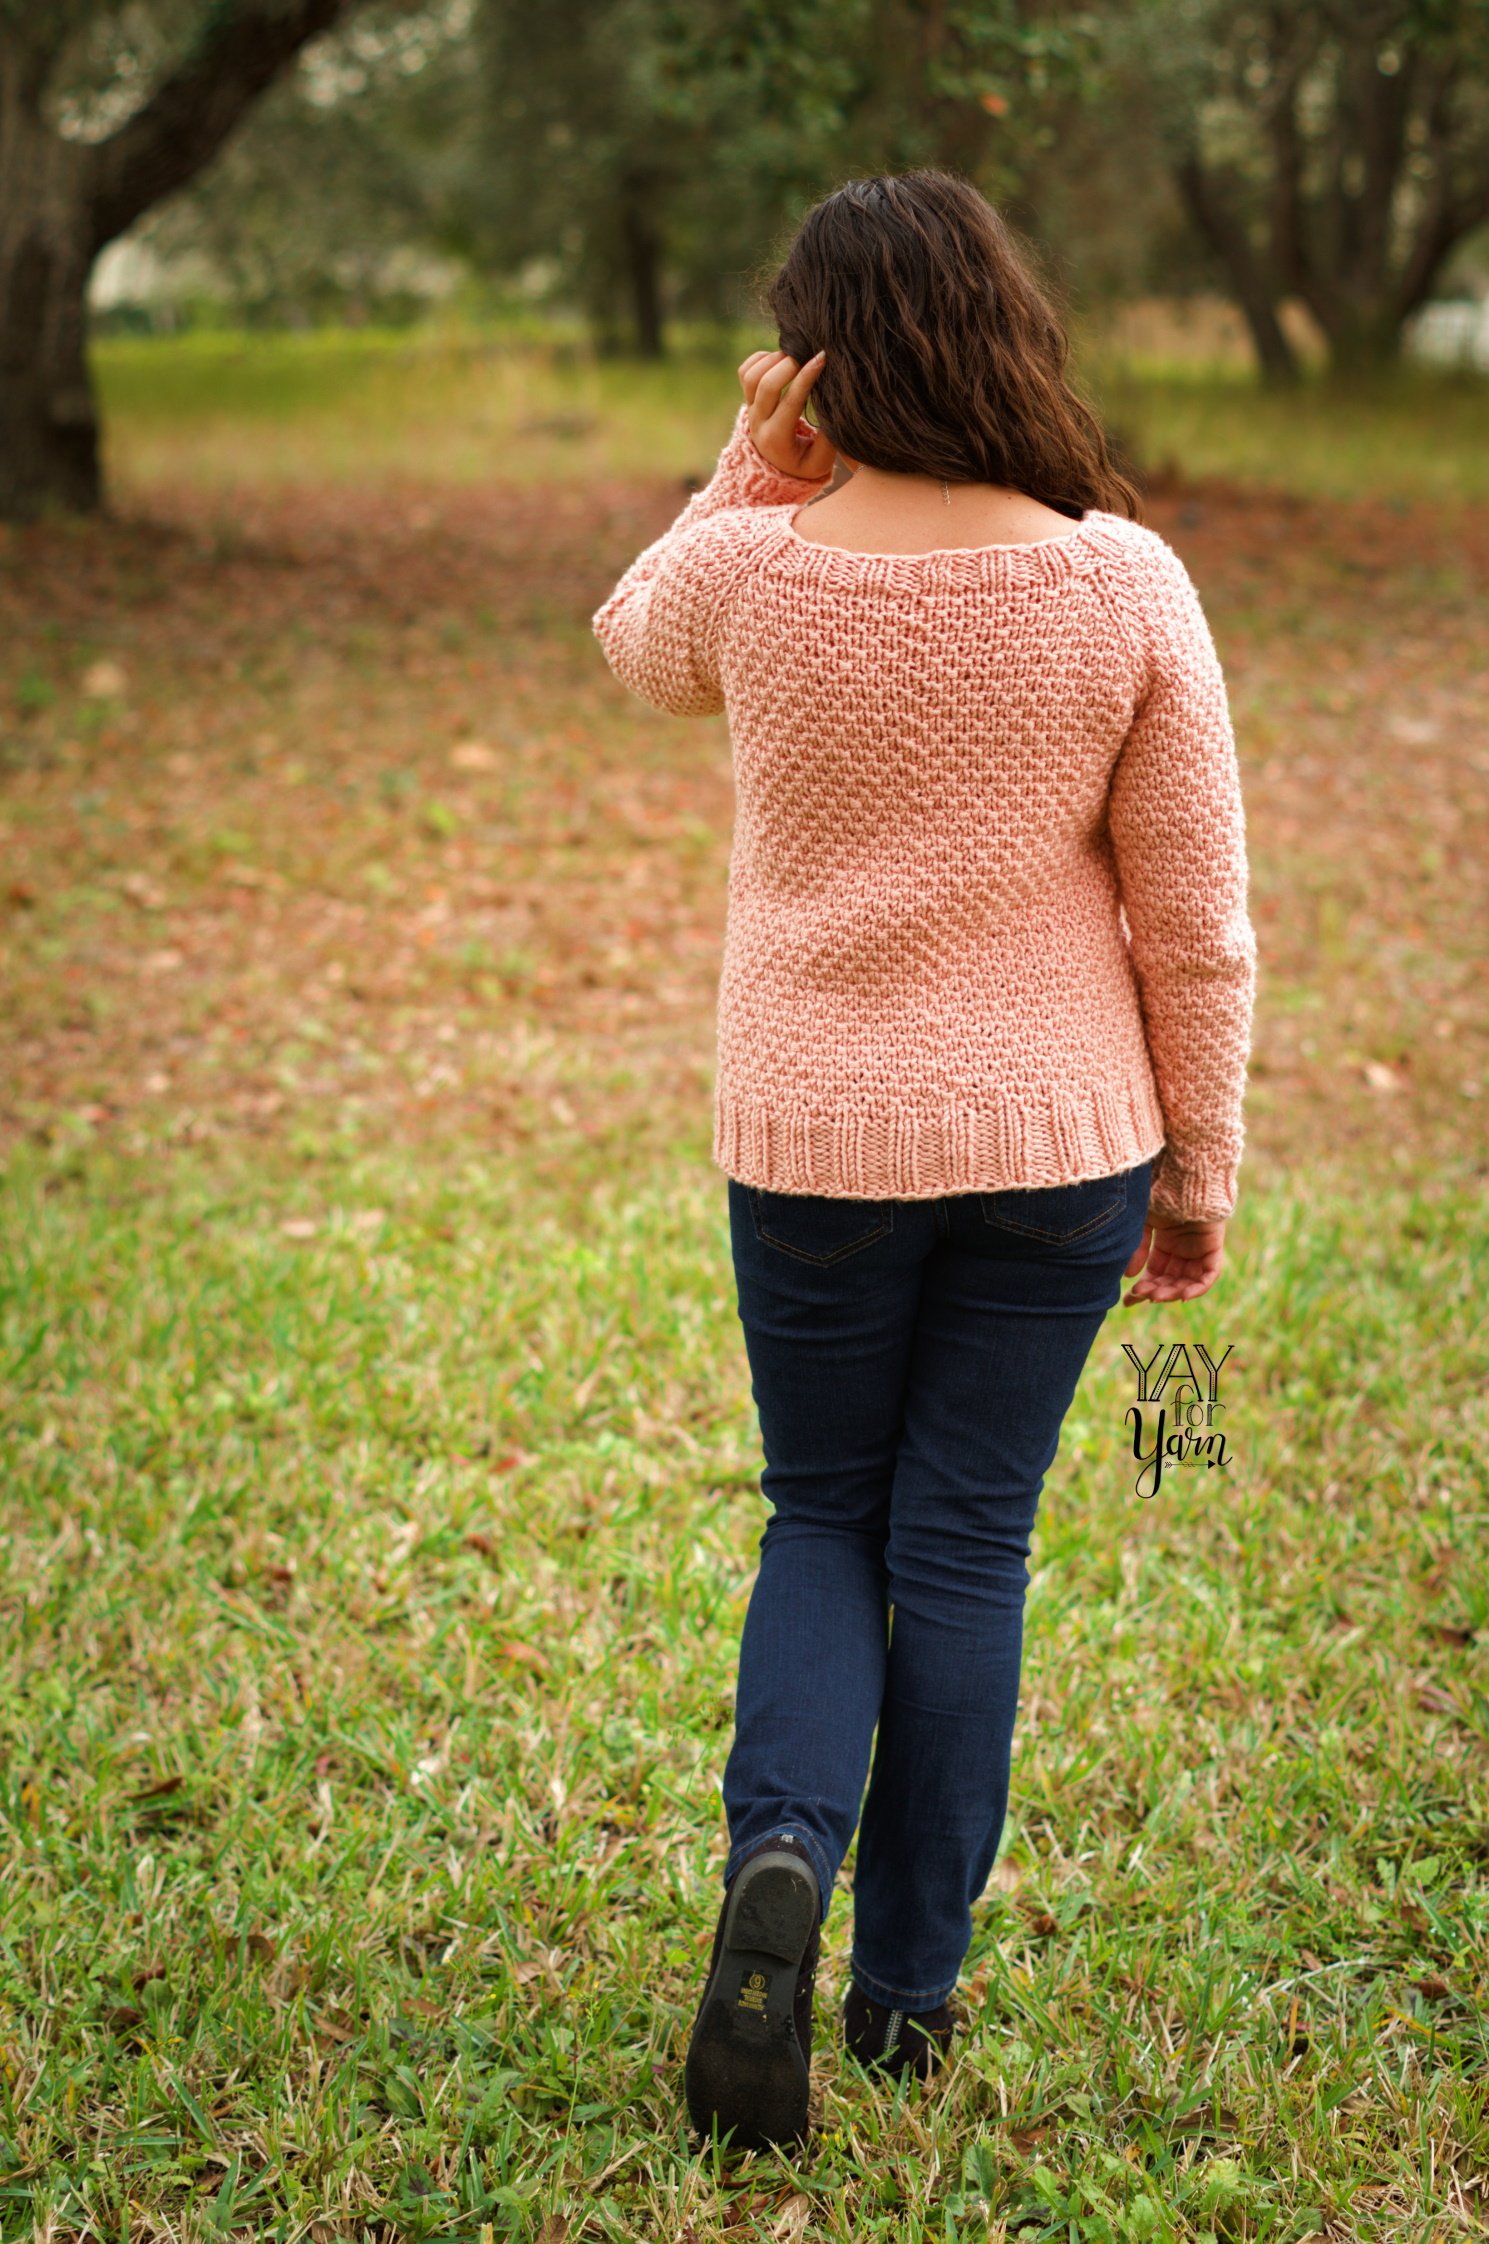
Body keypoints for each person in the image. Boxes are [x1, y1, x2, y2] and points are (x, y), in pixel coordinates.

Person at [592, 169, 1256, 2155]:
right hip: (1059, 1145)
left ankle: (775, 1865)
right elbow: (1193, 920)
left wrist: (742, 465)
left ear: (813, 363)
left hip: (809, 1138)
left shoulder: (757, 572)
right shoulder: (1122, 579)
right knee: (963, 1537)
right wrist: (1198, 1165)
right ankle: (903, 2001)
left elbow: (635, 641)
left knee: (821, 1518)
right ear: (1007, 332)